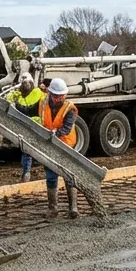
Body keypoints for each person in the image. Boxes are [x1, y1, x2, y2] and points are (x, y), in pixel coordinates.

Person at [39, 77, 80, 218]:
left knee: (69, 176)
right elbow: (31, 110)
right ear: (51, 94)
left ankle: (73, 208)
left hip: (66, 146)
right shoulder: (43, 102)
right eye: (56, 96)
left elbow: (67, 128)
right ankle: (53, 209)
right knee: (51, 176)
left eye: (61, 96)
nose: (58, 99)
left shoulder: (70, 108)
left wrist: (56, 133)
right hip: (50, 146)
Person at [6, 73, 44, 182]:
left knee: (27, 150)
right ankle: (26, 173)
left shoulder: (23, 96)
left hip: (33, 126)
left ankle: (26, 173)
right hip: (31, 126)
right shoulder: (36, 93)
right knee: (26, 150)